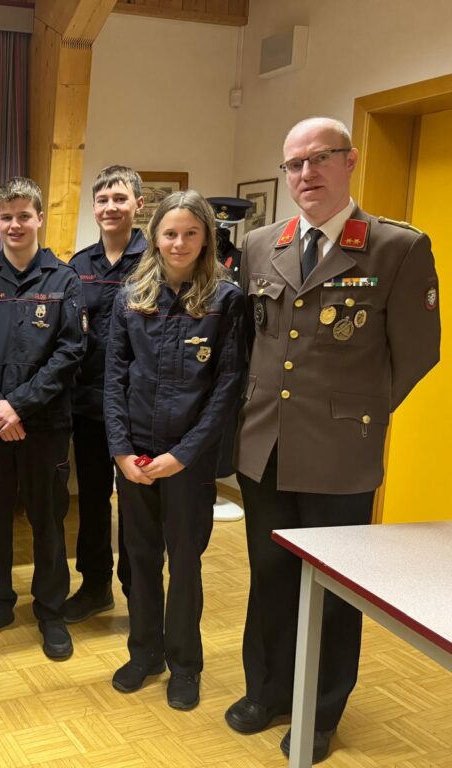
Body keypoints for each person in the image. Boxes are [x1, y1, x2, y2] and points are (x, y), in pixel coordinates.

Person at [226, 117, 440, 763]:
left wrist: (355, 413)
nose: (305, 173)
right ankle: (266, 691)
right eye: (294, 164)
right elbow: (251, 341)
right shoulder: (261, 244)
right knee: (270, 575)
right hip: (266, 445)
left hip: (341, 453)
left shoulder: (396, 247)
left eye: (319, 158)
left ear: (350, 161)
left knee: (335, 587)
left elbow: (418, 352)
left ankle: (320, 711)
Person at [104, 190, 245, 711]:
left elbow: (227, 388)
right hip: (136, 458)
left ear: (206, 237)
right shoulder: (130, 297)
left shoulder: (226, 300)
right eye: (170, 233)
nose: (179, 243)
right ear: (155, 237)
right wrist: (121, 451)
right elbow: (114, 379)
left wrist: (184, 455)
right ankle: (144, 653)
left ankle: (186, 664)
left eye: (190, 233)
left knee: (184, 564)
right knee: (140, 560)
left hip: (188, 460)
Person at [0, 176, 86, 661]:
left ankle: (50, 610)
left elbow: (70, 351)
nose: (15, 224)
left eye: (23, 216)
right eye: (6, 217)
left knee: (47, 519)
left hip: (44, 426)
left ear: (39, 219)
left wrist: (20, 405)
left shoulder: (63, 280)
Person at [64, 165, 147, 623]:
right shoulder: (79, 266)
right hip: (89, 406)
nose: (110, 207)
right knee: (92, 500)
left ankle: (139, 593)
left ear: (138, 204)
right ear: (93, 208)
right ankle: (95, 586)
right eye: (102, 200)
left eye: (120, 198)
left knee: (136, 505)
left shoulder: (156, 261)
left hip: (140, 410)